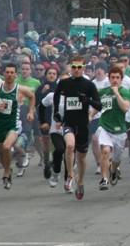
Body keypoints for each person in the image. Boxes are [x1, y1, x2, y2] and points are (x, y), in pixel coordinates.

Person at [0, 63, 36, 189]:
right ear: (3, 74)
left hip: (13, 124)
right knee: (1, 152)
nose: (10, 75)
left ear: (16, 74)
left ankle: (6, 172)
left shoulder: (20, 89)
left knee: (7, 147)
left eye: (12, 72)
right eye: (7, 72)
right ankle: (8, 169)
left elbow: (32, 96)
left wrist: (31, 111)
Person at [53, 56, 101, 199]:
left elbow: (99, 105)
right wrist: (56, 112)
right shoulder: (64, 83)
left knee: (81, 158)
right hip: (68, 122)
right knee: (69, 146)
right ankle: (70, 175)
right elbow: (56, 95)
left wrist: (87, 100)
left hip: (83, 124)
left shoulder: (89, 85)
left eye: (79, 67)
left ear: (83, 68)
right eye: (74, 67)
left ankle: (80, 181)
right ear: (70, 68)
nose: (76, 70)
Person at [95, 67, 130, 190]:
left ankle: (114, 169)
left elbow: (125, 108)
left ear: (121, 79)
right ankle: (104, 179)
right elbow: (99, 106)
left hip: (119, 130)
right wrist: (90, 115)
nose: (115, 80)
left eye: (117, 78)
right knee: (105, 151)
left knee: (116, 159)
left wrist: (116, 93)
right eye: (112, 78)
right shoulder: (103, 92)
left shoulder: (125, 92)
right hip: (104, 126)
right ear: (109, 78)